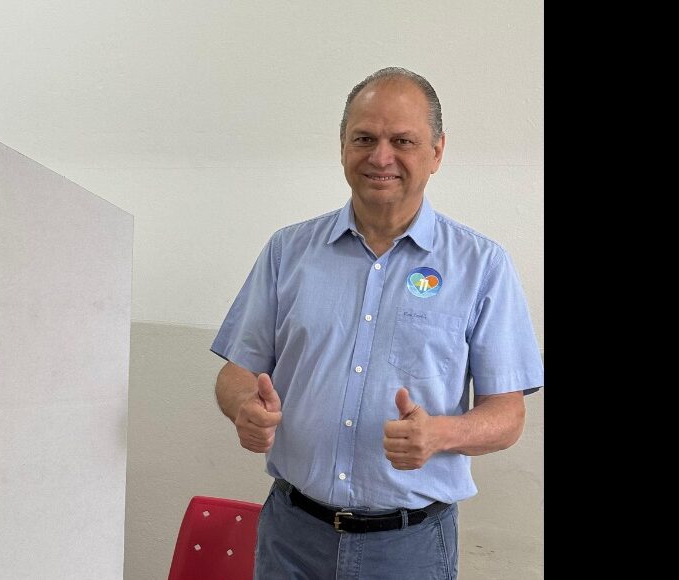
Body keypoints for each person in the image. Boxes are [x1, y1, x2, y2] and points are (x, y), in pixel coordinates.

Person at [210, 67, 543, 579]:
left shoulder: (482, 266)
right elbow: (236, 373)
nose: (380, 156)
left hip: (408, 548)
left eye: (402, 140)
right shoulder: (287, 251)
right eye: (364, 138)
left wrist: (440, 435)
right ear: (342, 146)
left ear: (436, 152)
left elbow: (508, 416)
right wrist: (244, 408)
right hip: (291, 537)